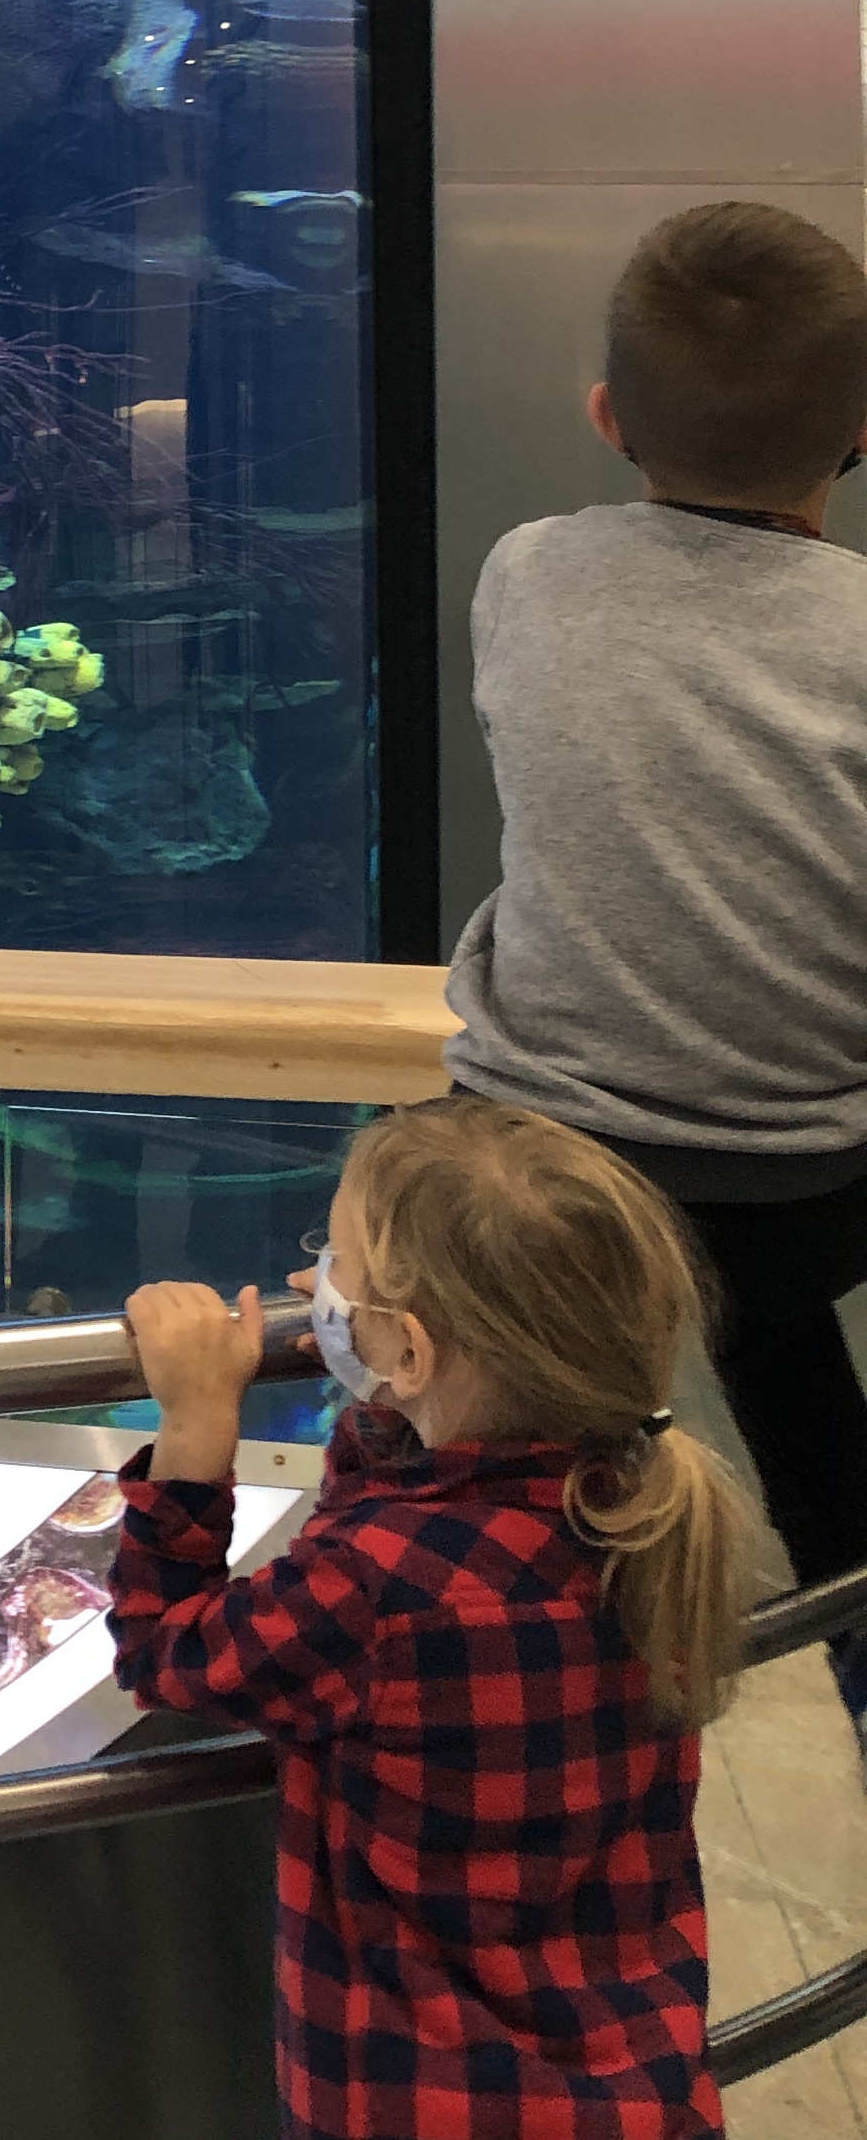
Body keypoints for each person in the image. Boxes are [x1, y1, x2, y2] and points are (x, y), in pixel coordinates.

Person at [113, 1097, 746, 2140]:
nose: (317, 1283)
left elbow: (165, 1649)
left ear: (409, 1346)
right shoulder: (640, 1512)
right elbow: (420, 1474)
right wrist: (374, 1360)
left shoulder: (370, 1592)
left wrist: (197, 1421)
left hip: (422, 2123)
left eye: (337, 1265)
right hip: (640, 2107)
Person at [440, 198, 867, 1717]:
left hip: (543, 1158)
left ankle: (529, 1666)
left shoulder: (527, 571)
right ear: (857, 436)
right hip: (804, 1188)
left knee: (527, 1400)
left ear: (606, 415)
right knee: (795, 1389)